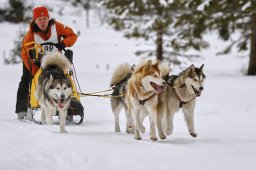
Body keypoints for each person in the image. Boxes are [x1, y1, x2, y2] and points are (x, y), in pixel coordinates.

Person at [15, 6, 78, 119]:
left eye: (44, 18)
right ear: (35, 21)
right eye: (39, 19)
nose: (42, 21)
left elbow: (72, 35)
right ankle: (22, 109)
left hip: (56, 61)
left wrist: (64, 43)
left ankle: (72, 105)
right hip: (35, 63)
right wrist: (34, 72)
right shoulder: (30, 35)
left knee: (65, 79)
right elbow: (25, 54)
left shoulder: (57, 27)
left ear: (48, 19)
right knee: (26, 80)